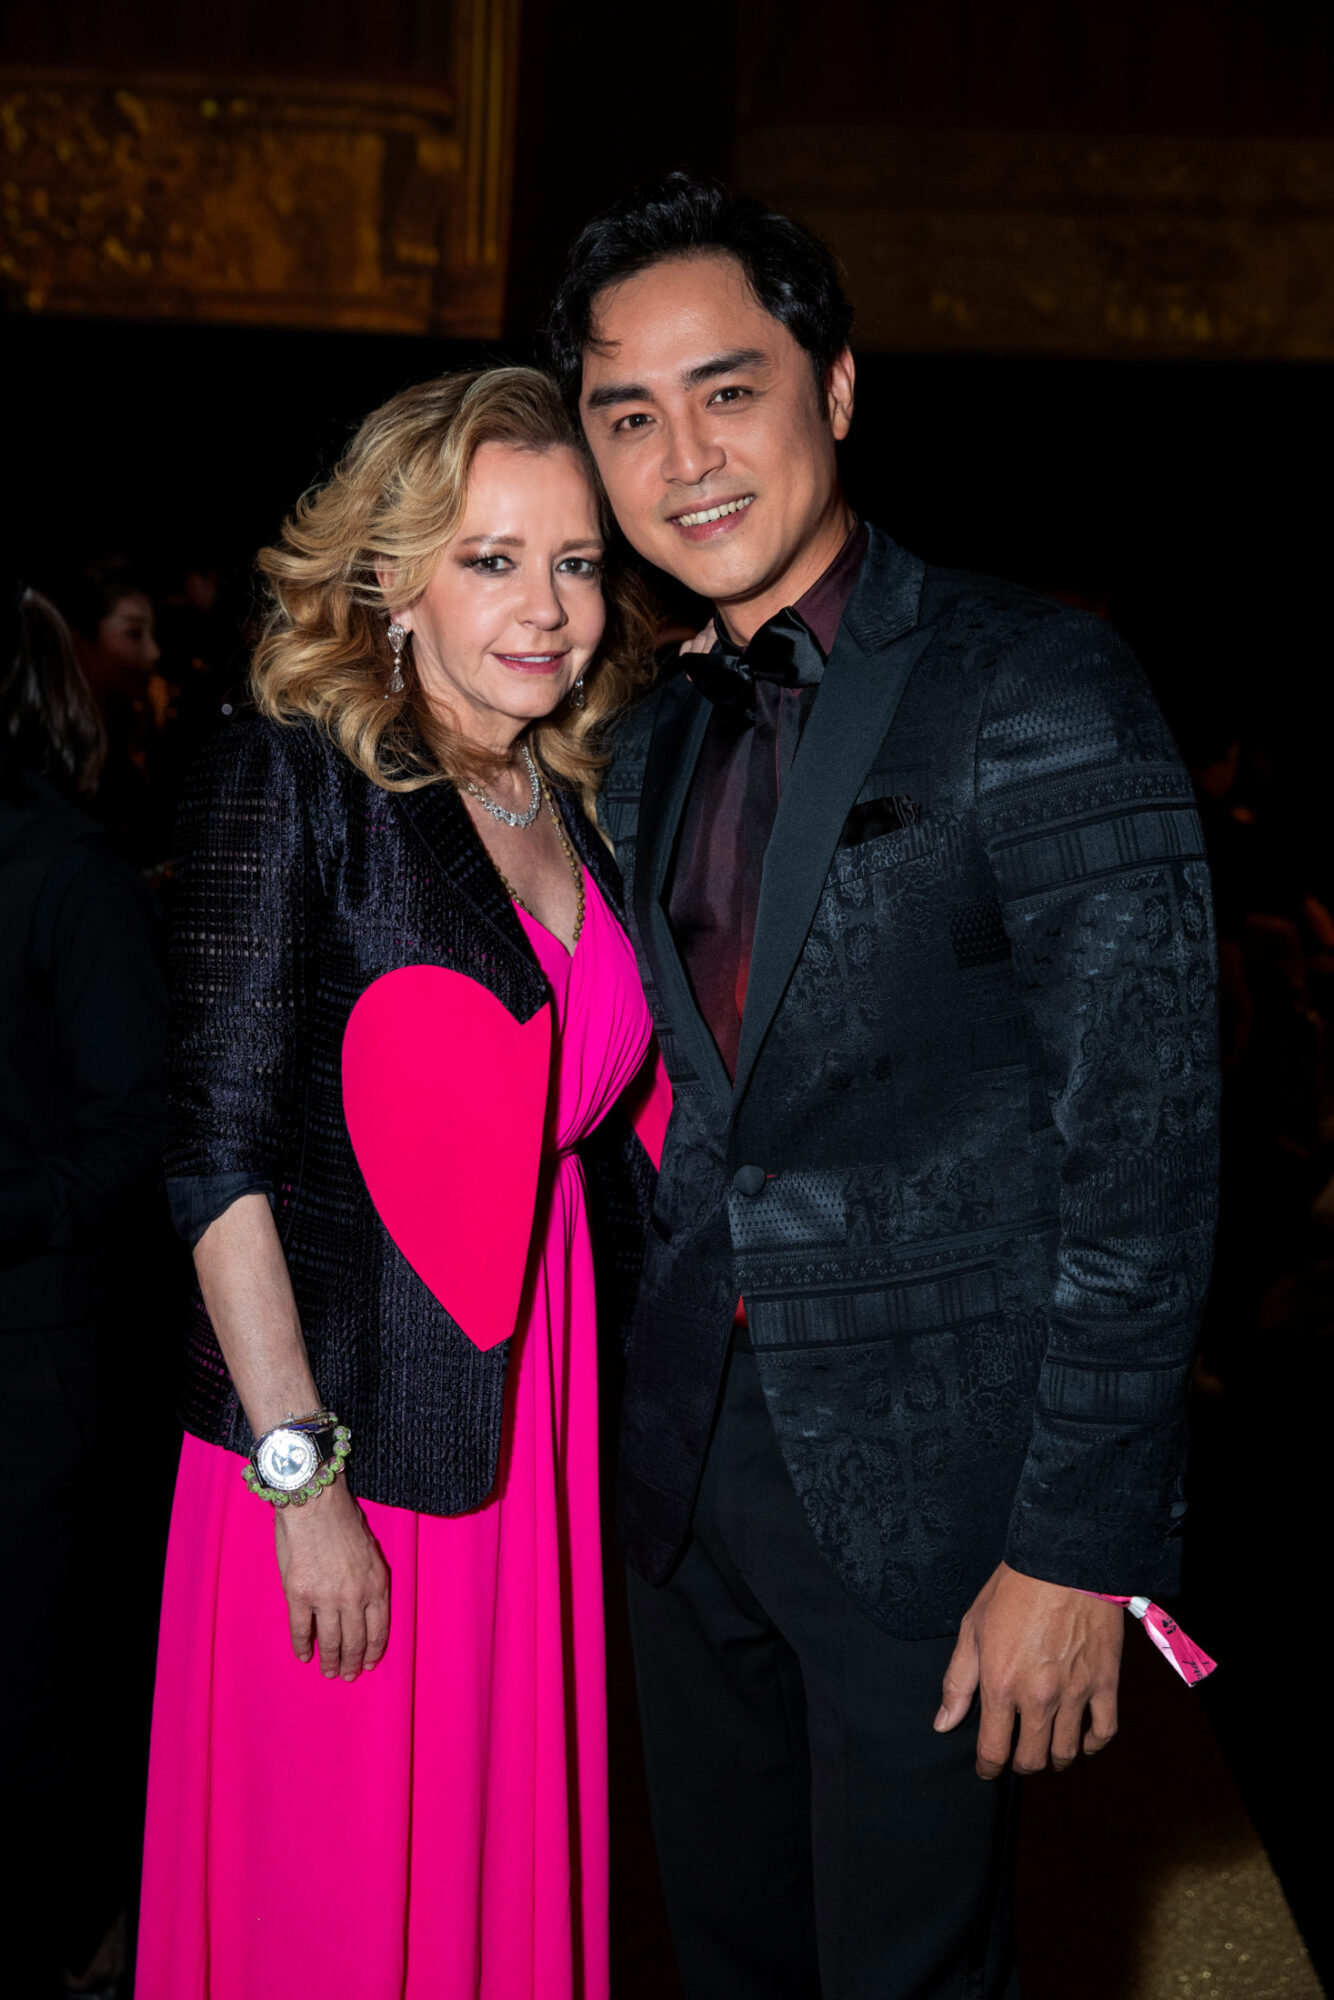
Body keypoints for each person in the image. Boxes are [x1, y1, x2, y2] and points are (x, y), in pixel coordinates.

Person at [547, 175, 1220, 1998]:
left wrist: (1075, 1550)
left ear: (834, 388)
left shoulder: (1034, 679)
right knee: (728, 1957)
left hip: (939, 1491)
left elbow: (1146, 1148)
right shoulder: (634, 730)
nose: (684, 456)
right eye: (628, 414)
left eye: (728, 390)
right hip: (676, 1474)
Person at [135, 367, 659, 2000]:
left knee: (497, 1857)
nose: (546, 609)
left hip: (534, 1397)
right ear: (390, 578)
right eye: (490, 559)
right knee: (337, 1886)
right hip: (337, 1426)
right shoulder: (296, 776)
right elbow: (215, 1163)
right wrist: (301, 1485)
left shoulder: (575, 795)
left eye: (574, 562)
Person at [0, 583, 168, 1997]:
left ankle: (99, 1953)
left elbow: (144, 1129)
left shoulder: (66, 873)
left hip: (39, 1356)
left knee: (38, 1695)